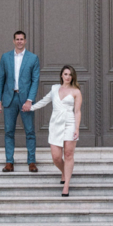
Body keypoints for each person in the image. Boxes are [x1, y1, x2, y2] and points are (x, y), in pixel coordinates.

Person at [30, 67, 82, 196]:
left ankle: (66, 185)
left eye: (70, 74)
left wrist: (76, 128)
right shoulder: (54, 89)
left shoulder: (76, 92)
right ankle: (64, 172)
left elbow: (77, 111)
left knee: (69, 155)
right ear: (61, 75)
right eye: (65, 74)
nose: (68, 77)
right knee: (56, 157)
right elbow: (44, 101)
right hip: (55, 124)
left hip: (70, 123)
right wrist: (30, 108)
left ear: (73, 76)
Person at [0, 30, 40, 172]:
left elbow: (35, 81)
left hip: (25, 100)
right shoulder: (5, 57)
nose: (19, 41)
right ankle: (9, 162)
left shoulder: (33, 58)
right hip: (9, 99)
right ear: (14, 41)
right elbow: (0, 79)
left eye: (22, 39)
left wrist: (30, 100)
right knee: (9, 131)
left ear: (25, 41)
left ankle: (31, 161)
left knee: (30, 131)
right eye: (17, 39)